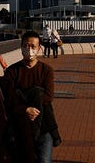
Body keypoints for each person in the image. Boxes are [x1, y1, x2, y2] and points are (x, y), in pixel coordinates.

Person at [5, 31, 61, 163]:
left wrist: (26, 102)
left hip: (44, 127)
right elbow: (9, 98)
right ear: (21, 47)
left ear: (39, 48)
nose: (29, 50)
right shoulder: (12, 71)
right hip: (20, 127)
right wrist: (25, 109)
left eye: (33, 46)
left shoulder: (46, 70)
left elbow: (48, 96)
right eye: (26, 46)